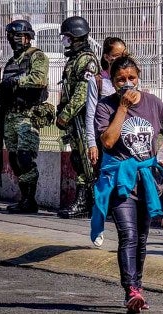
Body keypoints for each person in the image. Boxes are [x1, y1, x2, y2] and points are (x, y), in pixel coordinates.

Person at [91, 56, 163, 313]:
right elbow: (107, 141)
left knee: (141, 238)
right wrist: (121, 108)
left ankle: (137, 289)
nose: (127, 83)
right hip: (121, 180)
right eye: (121, 79)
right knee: (127, 234)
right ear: (112, 80)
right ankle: (131, 289)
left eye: (131, 78)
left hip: (148, 180)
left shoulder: (153, 102)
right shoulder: (107, 106)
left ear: (139, 76)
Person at [0, 20, 50, 214]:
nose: (13, 40)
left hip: (28, 115)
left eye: (17, 36)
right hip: (10, 116)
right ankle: (24, 198)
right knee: (13, 158)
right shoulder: (11, 62)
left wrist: (16, 81)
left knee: (25, 156)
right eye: (10, 36)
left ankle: (31, 200)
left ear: (28, 37)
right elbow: (3, 96)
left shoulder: (37, 56)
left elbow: (39, 79)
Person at [56, 16, 100, 219]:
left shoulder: (87, 60)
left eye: (67, 37)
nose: (65, 41)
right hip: (75, 120)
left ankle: (85, 203)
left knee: (84, 160)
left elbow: (82, 93)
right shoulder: (74, 59)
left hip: (82, 119)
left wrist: (65, 115)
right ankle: (86, 201)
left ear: (76, 37)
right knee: (78, 159)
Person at [86, 37, 128, 167]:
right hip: (105, 139)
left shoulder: (131, 79)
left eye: (123, 55)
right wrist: (92, 143)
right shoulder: (98, 81)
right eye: (116, 56)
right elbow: (90, 114)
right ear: (106, 57)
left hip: (127, 139)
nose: (120, 59)